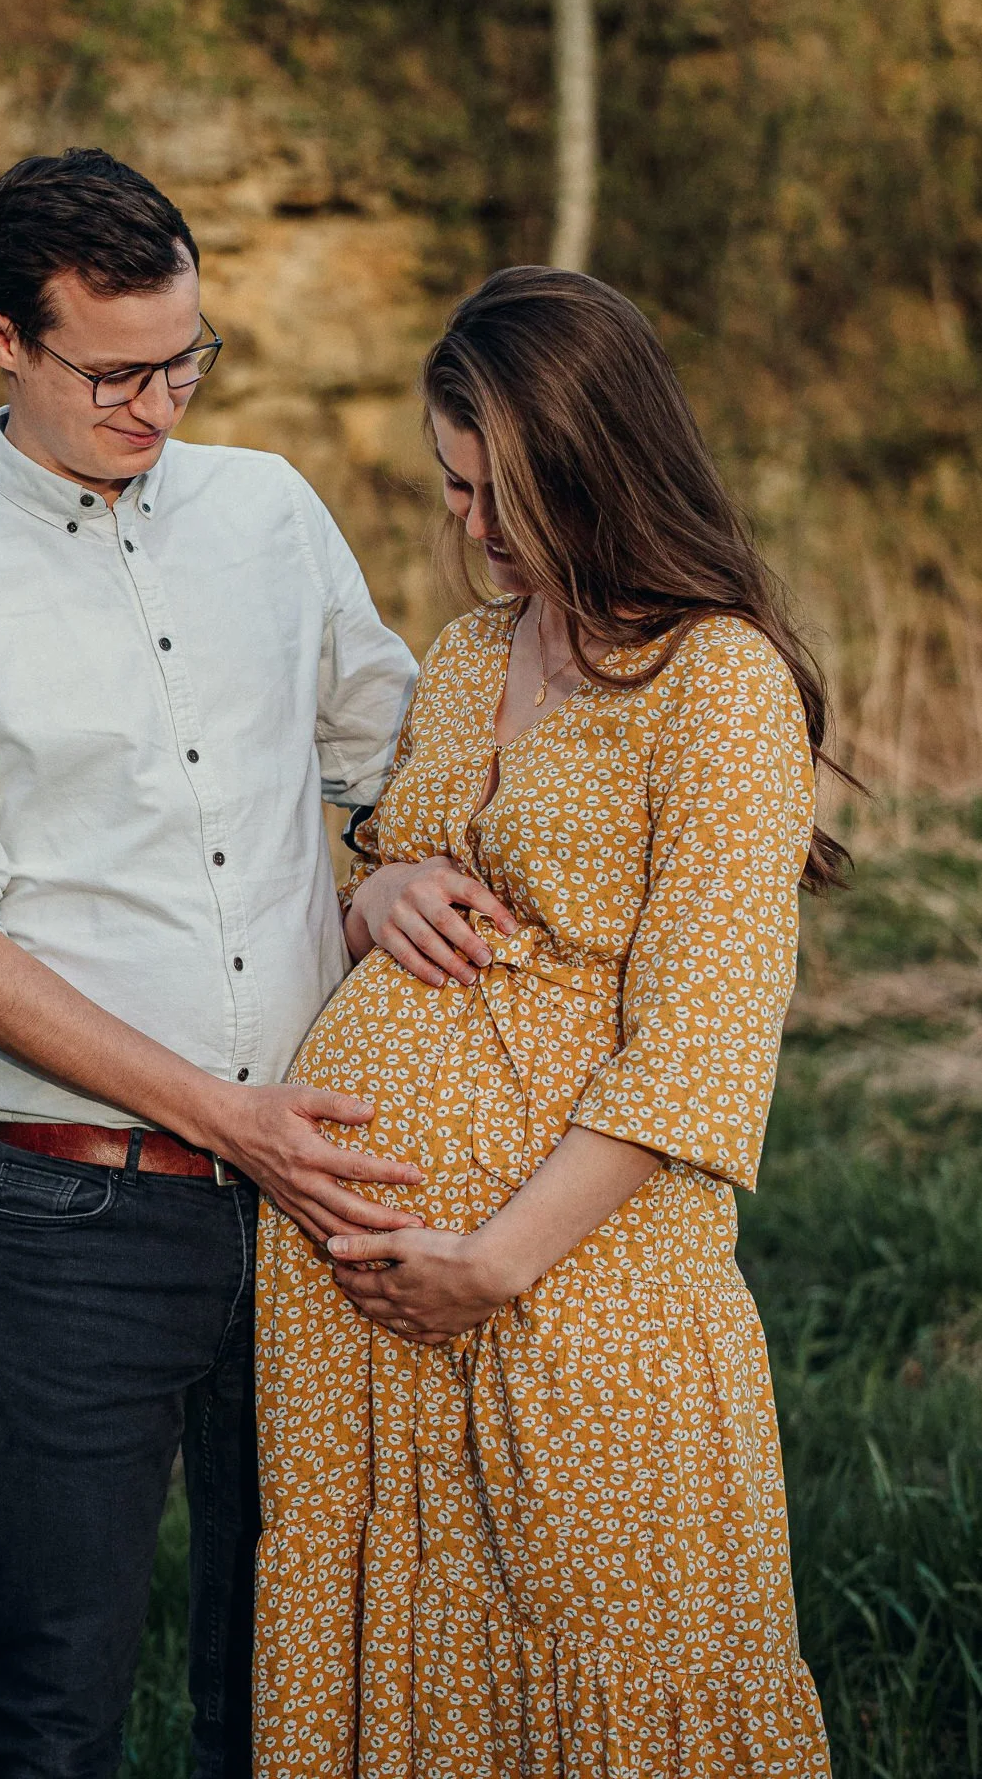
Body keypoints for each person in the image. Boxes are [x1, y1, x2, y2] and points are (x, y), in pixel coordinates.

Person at [0, 147, 421, 1779]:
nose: (158, 403)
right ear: (0, 340)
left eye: (186, 359)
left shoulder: (272, 509)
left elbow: (382, 754)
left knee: (292, 1688)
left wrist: (380, 876)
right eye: (115, 372)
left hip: (325, 1193)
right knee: (47, 1703)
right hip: (79, 1217)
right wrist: (227, 1120)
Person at [252, 266, 838, 1777]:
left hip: (578, 1286)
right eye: (452, 489)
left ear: (589, 468)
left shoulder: (722, 686)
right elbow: (389, 860)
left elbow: (706, 1041)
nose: (468, 529)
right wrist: (372, 901)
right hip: (363, 1307)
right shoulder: (461, 660)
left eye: (494, 493)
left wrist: (492, 1261)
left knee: (608, 1656)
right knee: (403, 1667)